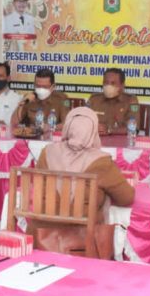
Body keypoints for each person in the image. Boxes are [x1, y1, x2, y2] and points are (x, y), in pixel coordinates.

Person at [33, 108, 135, 258]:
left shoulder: (47, 152)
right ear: (93, 132)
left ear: (68, 127)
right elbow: (126, 197)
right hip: (84, 243)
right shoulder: (101, 162)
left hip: (42, 239)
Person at [87, 67, 140, 135]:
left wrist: (110, 130)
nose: (108, 86)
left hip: (120, 141)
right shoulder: (94, 99)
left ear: (122, 85)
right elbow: (82, 122)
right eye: (106, 82)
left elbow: (133, 128)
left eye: (113, 83)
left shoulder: (130, 100)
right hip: (96, 139)